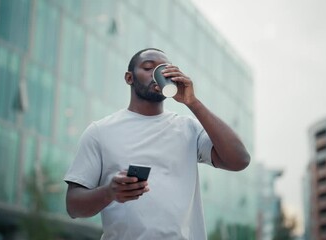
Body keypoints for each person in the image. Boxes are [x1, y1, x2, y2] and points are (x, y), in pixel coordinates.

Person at [64, 48, 250, 240]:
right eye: (148, 68)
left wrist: (192, 102)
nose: (157, 74)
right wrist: (110, 192)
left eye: (163, 69)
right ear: (129, 78)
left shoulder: (188, 128)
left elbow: (240, 160)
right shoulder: (99, 132)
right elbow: (73, 207)